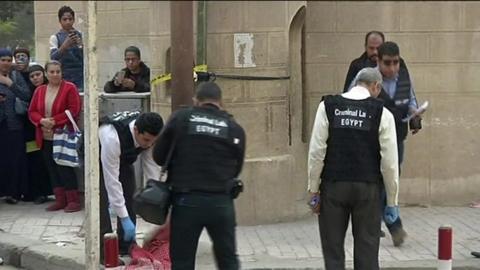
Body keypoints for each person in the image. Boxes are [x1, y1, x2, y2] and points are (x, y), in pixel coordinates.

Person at [308, 67, 400, 270]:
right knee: (367, 253)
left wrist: (313, 190)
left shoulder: (328, 106)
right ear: (376, 86)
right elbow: (390, 163)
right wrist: (392, 201)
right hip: (367, 189)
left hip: (333, 187)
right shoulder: (382, 113)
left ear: (356, 82)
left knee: (333, 252)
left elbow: (316, 152)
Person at [152, 81, 246, 270]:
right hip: (221, 203)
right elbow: (236, 169)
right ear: (221, 102)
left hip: (186, 202)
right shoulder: (234, 128)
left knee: (182, 261)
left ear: (196, 100)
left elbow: (159, 156)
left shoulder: (181, 118)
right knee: (228, 260)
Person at [98, 111, 164, 264]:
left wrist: (155, 196)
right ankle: (103, 252)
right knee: (100, 204)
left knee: (130, 196)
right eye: (146, 140)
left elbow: (152, 167)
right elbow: (112, 183)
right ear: (136, 131)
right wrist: (124, 217)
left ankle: (126, 244)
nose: (148, 144)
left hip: (122, 157)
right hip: (96, 156)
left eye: (152, 141)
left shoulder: (149, 135)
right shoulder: (112, 138)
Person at [376, 41, 422, 246]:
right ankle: (394, 225)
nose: (392, 68)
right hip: (372, 140)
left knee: (390, 183)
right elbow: (353, 99)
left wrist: (415, 114)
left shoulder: (403, 76)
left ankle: (380, 222)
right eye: (387, 63)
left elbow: (411, 100)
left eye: (395, 62)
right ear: (378, 61)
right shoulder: (368, 77)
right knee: (376, 183)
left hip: (396, 138)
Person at [28, 60, 82, 212]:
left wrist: (54, 121)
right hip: (44, 136)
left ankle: (73, 201)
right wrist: (42, 121)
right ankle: (60, 199)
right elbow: (32, 111)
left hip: (62, 136)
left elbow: (74, 110)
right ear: (46, 73)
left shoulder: (69, 88)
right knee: (52, 168)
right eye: (52, 72)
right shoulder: (40, 90)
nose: (55, 74)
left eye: (58, 71)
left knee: (65, 167)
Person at [13, 49, 52, 204]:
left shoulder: (50, 88)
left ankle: (45, 191)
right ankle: (35, 192)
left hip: (48, 131)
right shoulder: (27, 89)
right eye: (32, 76)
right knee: (34, 161)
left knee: (45, 162)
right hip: (31, 132)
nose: (36, 78)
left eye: (38, 75)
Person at [0, 48, 30, 204]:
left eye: (7, 60)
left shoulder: (15, 76)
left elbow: (26, 95)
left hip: (14, 124)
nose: (5, 63)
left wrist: (10, 84)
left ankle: (14, 193)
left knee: (15, 159)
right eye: (2, 60)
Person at [343, 31, 410, 93]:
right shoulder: (357, 65)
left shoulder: (398, 62)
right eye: (371, 48)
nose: (375, 52)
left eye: (378, 48)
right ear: (365, 47)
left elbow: (408, 88)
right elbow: (348, 92)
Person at [50, 5, 84, 91]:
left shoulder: (81, 35)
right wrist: (65, 45)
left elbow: (88, 56)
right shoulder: (55, 37)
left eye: (70, 19)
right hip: (64, 75)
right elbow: (53, 58)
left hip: (80, 75)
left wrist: (80, 45)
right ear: (60, 21)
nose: (68, 22)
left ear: (74, 20)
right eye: (65, 19)